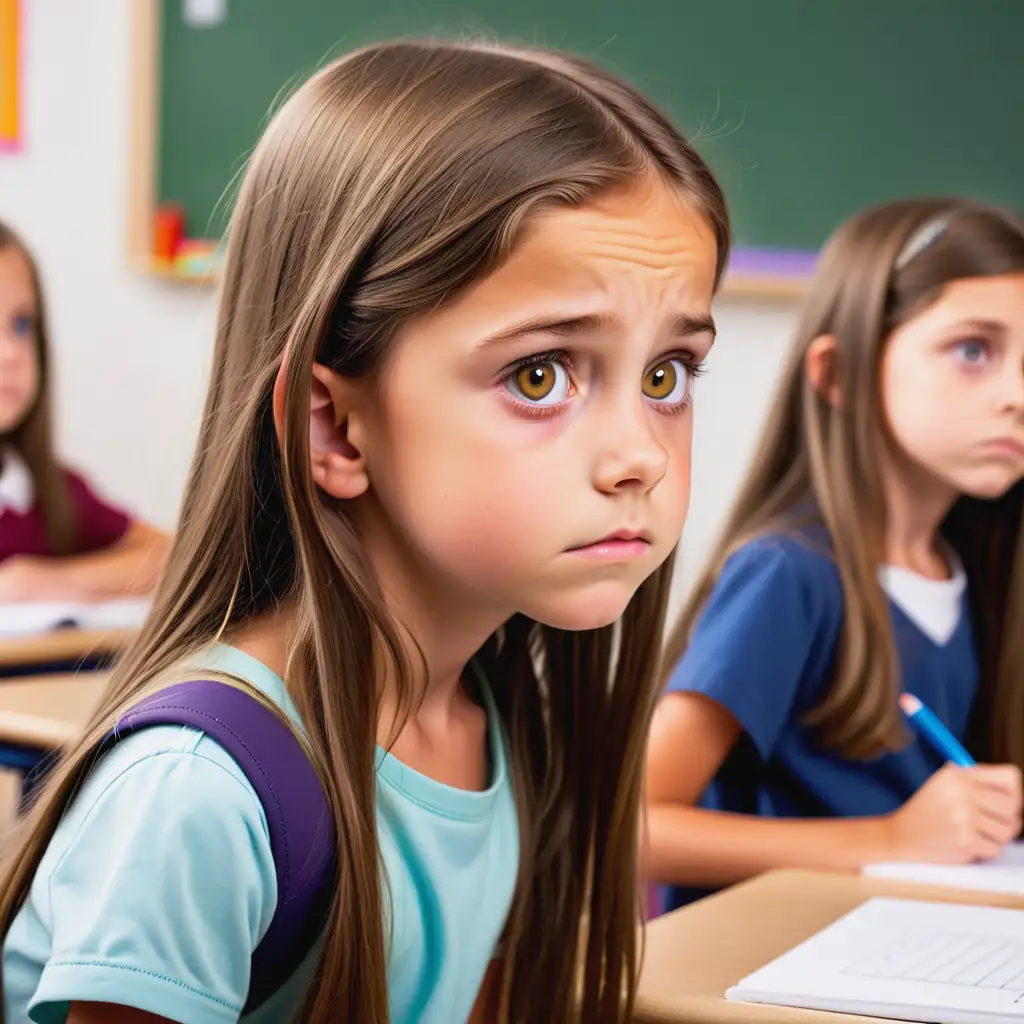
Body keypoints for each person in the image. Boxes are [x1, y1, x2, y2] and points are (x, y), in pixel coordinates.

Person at [0, 39, 730, 1023]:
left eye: (665, 375)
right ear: (335, 428)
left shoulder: (504, 721)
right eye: (540, 374)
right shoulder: (200, 799)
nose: (637, 455)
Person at [645, 198, 1024, 913]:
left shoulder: (975, 575)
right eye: (974, 351)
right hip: (761, 967)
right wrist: (893, 837)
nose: (1015, 396)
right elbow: (636, 827)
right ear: (839, 373)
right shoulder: (789, 573)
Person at [0, 221, 168, 602]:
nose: (11, 353)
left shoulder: (52, 492)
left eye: (22, 325)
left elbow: (168, 556)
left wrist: (41, 582)